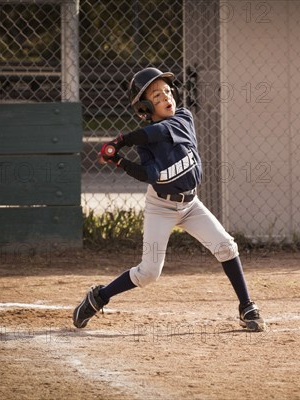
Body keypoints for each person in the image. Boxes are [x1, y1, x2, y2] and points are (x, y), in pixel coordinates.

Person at [73, 67, 265, 332]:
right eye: (156, 95)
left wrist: (120, 141)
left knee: (226, 246)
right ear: (144, 106)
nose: (166, 97)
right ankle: (99, 297)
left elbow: (158, 132)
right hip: (160, 207)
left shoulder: (183, 119)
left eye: (167, 91)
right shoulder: (144, 146)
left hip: (190, 204)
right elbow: (149, 174)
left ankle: (246, 307)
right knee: (149, 272)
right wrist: (118, 159)